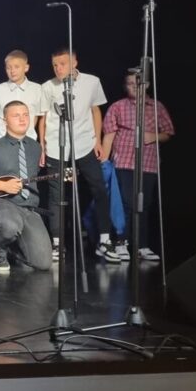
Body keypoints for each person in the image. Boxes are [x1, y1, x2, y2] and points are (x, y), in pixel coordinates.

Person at [39, 49, 119, 262]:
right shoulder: (48, 87)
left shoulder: (92, 82)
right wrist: (42, 145)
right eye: (55, 65)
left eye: (63, 64)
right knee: (57, 196)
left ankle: (104, 239)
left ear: (75, 62)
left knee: (99, 188)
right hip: (57, 147)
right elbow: (44, 118)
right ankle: (57, 243)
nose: (58, 68)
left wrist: (98, 141)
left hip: (84, 145)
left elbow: (95, 111)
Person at [0, 101, 52, 272]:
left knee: (43, 263)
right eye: (16, 115)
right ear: (5, 120)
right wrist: (2, 185)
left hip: (28, 208)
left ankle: (12, 248)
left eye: (25, 115)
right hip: (1, 203)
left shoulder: (35, 147)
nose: (22, 119)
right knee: (9, 225)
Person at [101, 69, 175, 262]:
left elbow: (168, 132)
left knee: (144, 205)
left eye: (137, 84)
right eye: (129, 84)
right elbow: (108, 136)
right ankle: (121, 242)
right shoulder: (118, 106)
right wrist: (104, 164)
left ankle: (142, 245)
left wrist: (154, 136)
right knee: (124, 203)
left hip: (147, 164)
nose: (133, 87)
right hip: (123, 162)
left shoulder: (157, 107)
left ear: (147, 85)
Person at [0, 50, 44, 140]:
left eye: (16, 67)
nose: (12, 71)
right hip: (3, 141)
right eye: (8, 68)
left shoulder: (37, 89)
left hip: (28, 140)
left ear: (26, 67)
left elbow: (36, 115)